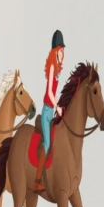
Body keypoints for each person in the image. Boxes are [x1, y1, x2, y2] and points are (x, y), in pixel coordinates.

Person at [36, 30, 65, 190]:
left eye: (63, 50)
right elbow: (49, 92)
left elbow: (54, 92)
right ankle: (37, 180)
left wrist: (60, 105)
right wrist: (57, 107)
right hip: (47, 110)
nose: (63, 52)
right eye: (61, 50)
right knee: (47, 144)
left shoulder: (58, 69)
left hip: (52, 108)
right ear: (56, 51)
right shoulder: (53, 67)